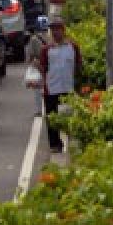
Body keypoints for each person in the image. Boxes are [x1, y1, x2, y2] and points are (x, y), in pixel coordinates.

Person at [39, 15, 82, 153]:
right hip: (52, 89)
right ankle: (55, 145)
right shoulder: (46, 50)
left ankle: (72, 143)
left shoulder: (73, 47)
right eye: (53, 30)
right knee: (52, 119)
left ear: (63, 30)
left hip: (68, 88)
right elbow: (43, 68)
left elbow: (79, 66)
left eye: (58, 29)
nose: (55, 32)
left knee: (70, 118)